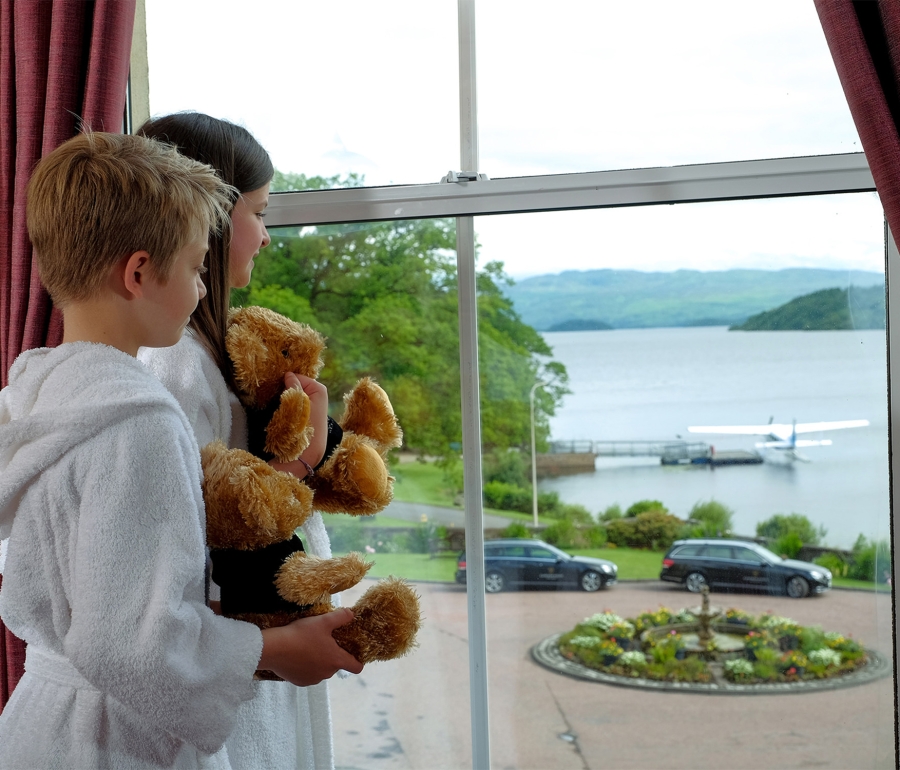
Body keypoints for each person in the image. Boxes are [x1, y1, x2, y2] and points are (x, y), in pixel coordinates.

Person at [0, 132, 362, 769]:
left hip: (40, 722)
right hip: (115, 739)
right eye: (197, 267)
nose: (202, 289)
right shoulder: (139, 422)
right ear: (139, 272)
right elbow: (129, 644)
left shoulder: (36, 392)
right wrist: (276, 650)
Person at [137, 112, 340, 770]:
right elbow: (194, 539)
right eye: (260, 210)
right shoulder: (175, 367)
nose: (268, 234)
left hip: (258, 643)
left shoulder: (215, 351)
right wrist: (299, 463)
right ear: (214, 219)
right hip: (233, 654)